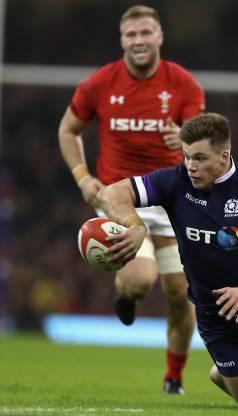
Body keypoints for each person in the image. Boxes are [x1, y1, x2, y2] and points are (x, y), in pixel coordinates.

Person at [96, 113, 238, 409]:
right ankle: (235, 372)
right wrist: (135, 224)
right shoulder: (175, 181)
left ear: (224, 157)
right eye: (186, 157)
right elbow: (110, 193)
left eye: (199, 158)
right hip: (218, 320)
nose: (190, 166)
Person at [58, 5, 205, 395]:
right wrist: (82, 176)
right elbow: (68, 129)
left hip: (172, 200)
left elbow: (199, 138)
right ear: (122, 40)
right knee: (141, 280)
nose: (138, 41)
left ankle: (173, 377)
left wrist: (187, 140)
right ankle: (126, 292)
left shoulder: (183, 84)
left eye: (146, 33)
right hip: (122, 197)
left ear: (159, 37)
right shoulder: (100, 84)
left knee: (179, 295)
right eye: (131, 35)